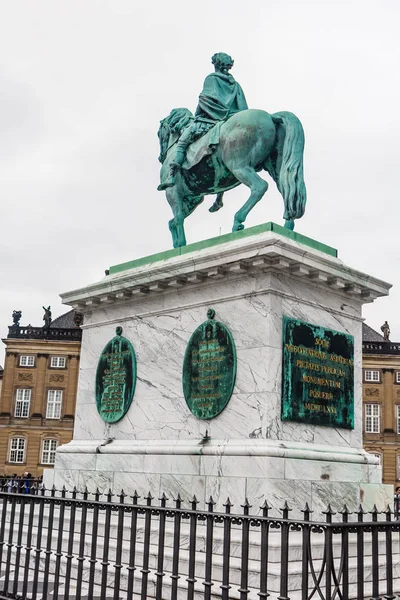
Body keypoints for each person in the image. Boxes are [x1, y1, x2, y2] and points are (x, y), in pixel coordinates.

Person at [160, 52, 248, 190]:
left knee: (182, 142)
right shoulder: (234, 84)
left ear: (216, 64)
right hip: (231, 117)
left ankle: (171, 174)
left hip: (209, 119)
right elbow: (241, 104)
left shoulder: (211, 79)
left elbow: (205, 99)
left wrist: (197, 115)